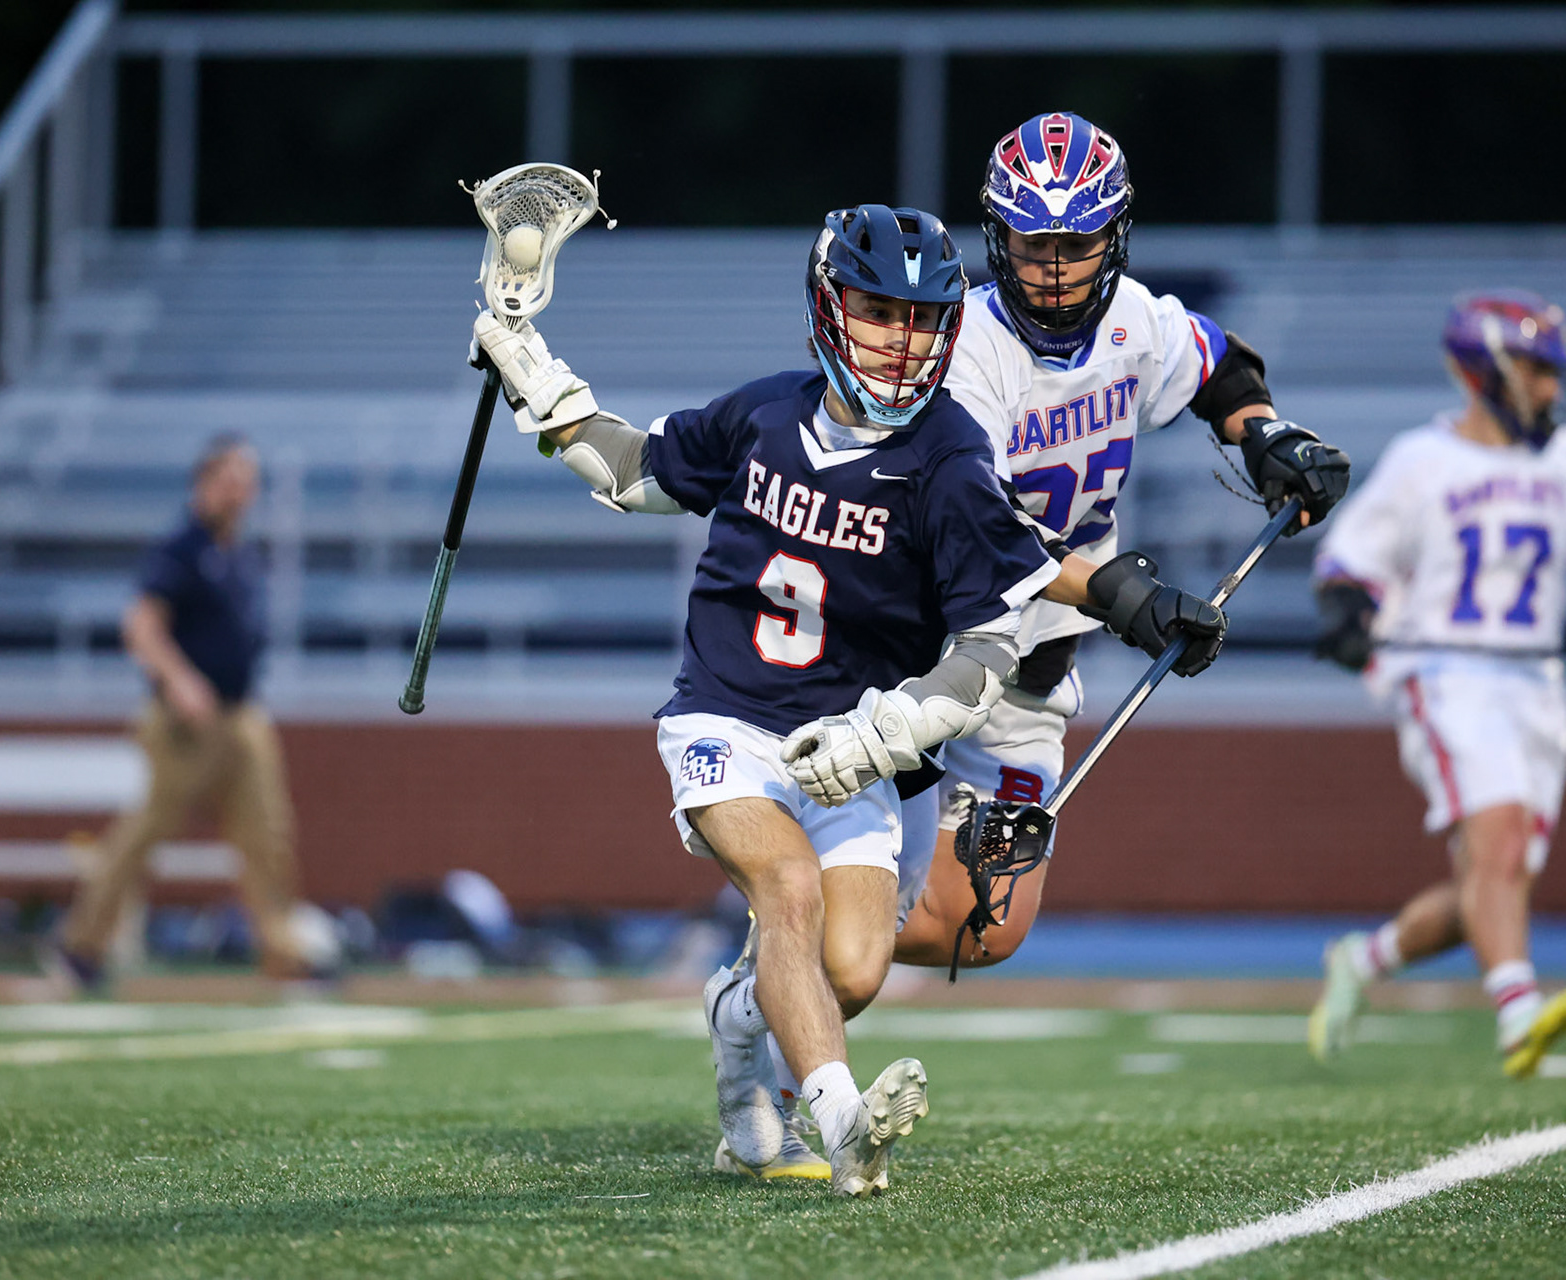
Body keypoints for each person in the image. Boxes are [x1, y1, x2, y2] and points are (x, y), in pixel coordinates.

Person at [472, 204, 1224, 1195]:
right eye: (877, 311)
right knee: (785, 890)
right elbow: (632, 468)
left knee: (858, 967)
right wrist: (534, 374)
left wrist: (885, 735)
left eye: (921, 318)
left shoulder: (952, 456)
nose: (900, 341)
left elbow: (990, 642)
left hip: (855, 742)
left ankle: (737, 1014)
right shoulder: (764, 414)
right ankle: (841, 1125)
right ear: (829, 307)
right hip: (727, 720)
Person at [882, 112, 1351, 973]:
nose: (1055, 269)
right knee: (875, 877)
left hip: (1035, 674)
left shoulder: (1134, 319)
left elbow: (1217, 364)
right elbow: (987, 535)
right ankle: (797, 933)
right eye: (1033, 244)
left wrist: (1266, 439)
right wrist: (1120, 594)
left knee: (979, 927)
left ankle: (791, 935)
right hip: (931, 647)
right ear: (997, 238)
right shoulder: (965, 349)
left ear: (1116, 235)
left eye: (1078, 242)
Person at [1306, 290, 1566, 1078]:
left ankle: (1364, 958)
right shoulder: (1423, 461)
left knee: (1492, 886)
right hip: (1443, 673)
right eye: (1536, 371)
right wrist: (1350, 618)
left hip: (1534, 684)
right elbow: (1351, 568)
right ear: (1486, 370)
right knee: (1495, 842)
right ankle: (1518, 1012)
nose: (1550, 389)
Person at [53, 434, 314, 989]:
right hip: (185, 723)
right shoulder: (180, 548)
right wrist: (179, 681)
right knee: (147, 831)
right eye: (230, 481)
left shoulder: (238, 553)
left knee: (268, 834)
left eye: (247, 482)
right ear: (205, 483)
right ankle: (82, 945)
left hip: (241, 716)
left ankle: (283, 951)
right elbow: (140, 628)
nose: (239, 493)